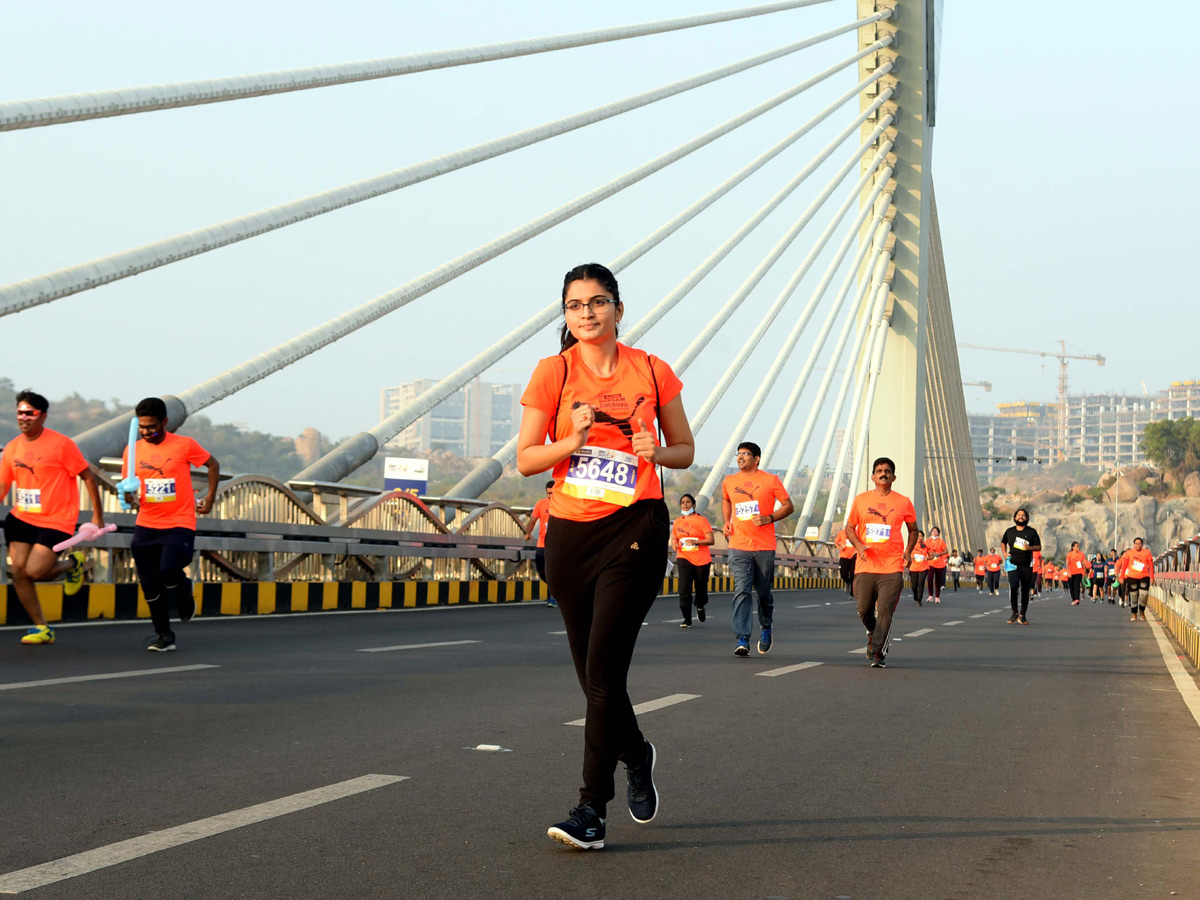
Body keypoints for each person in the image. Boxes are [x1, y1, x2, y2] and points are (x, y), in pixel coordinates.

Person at [517, 263, 694, 851]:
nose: (587, 313)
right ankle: (636, 751)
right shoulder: (554, 372)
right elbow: (525, 460)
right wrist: (570, 440)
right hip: (570, 532)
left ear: (619, 308)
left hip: (635, 528)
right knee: (591, 678)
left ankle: (591, 810)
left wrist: (658, 452)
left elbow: (686, 449)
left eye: (598, 302)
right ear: (565, 315)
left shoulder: (652, 369)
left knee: (603, 674)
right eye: (575, 305)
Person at [0, 390, 106, 645]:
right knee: (19, 572)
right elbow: (3, 485)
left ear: (43, 416)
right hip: (21, 518)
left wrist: (97, 516)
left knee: (36, 571)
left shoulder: (61, 444)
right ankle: (42, 628)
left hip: (56, 520)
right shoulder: (13, 447)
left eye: (30, 413)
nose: (24, 418)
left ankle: (73, 564)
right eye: (20, 413)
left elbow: (88, 477)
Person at [121, 398, 219, 652]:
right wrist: (129, 497)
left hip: (179, 522)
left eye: (152, 426)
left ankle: (184, 590)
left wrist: (209, 498)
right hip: (146, 523)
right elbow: (130, 487)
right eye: (142, 427)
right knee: (149, 582)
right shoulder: (132, 450)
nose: (146, 432)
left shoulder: (184, 445)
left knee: (167, 571)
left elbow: (212, 464)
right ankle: (164, 635)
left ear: (165, 422)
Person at [844, 457, 918, 668]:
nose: (883, 473)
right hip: (866, 564)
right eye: (879, 471)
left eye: (887, 471)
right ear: (873, 477)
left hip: (892, 565)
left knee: (885, 608)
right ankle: (873, 631)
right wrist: (859, 546)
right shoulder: (861, 500)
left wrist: (908, 551)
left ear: (893, 477)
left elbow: (913, 529)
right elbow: (849, 527)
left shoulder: (903, 502)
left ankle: (878, 651)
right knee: (864, 609)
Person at [721, 441, 793, 657]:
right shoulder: (730, 481)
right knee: (742, 591)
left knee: (763, 593)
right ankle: (742, 638)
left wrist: (769, 518)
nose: (740, 457)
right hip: (738, 545)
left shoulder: (770, 480)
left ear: (757, 459)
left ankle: (766, 627)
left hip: (764, 546)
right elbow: (726, 500)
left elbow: (789, 506)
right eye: (739, 453)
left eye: (746, 454)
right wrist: (726, 520)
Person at [672, 493, 713, 627]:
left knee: (701, 589)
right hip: (684, 558)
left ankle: (700, 606)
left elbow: (711, 540)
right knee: (684, 589)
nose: (685, 504)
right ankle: (687, 618)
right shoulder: (678, 521)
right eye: (683, 502)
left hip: (701, 560)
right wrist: (674, 544)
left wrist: (696, 542)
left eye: (688, 502)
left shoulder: (702, 521)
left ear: (693, 505)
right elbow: (674, 538)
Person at [1001, 508, 1041, 625]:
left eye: (1023, 515)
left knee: (1025, 590)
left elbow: (1038, 547)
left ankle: (1023, 615)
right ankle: (1014, 612)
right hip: (1012, 564)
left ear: (1027, 518)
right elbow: (1003, 542)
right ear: (1014, 517)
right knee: (1013, 587)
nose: (1020, 517)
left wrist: (1030, 548)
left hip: (1026, 565)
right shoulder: (1009, 531)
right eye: (1018, 515)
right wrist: (1004, 553)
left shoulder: (1032, 532)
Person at [523, 480, 557, 607]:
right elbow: (532, 520)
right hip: (542, 543)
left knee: (552, 570)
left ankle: (553, 597)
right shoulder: (541, 504)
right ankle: (553, 588)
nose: (550, 496)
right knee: (541, 569)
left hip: (557, 545)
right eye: (548, 493)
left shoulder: (564, 505)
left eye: (553, 493)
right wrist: (528, 533)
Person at [1122, 538, 1154, 621]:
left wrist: (1152, 577)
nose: (1138, 545)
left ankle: (1142, 611)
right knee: (1134, 596)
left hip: (1144, 576)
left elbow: (1151, 565)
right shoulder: (1129, 553)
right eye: (1136, 543)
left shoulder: (1147, 552)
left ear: (1142, 545)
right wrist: (1121, 576)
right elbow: (1124, 566)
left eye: (1140, 543)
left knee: (1144, 594)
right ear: (1134, 544)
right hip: (1132, 576)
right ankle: (1134, 614)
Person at [924, 526, 948, 603]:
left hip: (939, 563)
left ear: (938, 533)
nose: (934, 533)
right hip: (930, 563)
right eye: (933, 531)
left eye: (936, 531)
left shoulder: (941, 541)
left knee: (938, 580)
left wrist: (939, 554)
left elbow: (946, 551)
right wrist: (929, 554)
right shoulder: (928, 541)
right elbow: (925, 550)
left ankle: (937, 597)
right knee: (930, 578)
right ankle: (930, 595)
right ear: (931, 532)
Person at [835, 526, 857, 596]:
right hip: (844, 557)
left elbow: (859, 543)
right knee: (843, 574)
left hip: (853, 557)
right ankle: (848, 582)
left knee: (853, 575)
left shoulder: (856, 533)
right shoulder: (841, 533)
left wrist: (856, 551)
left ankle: (852, 592)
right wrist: (840, 548)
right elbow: (836, 542)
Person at [1065, 541, 1088, 606]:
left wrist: (1085, 571)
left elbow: (1083, 563)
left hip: (1079, 572)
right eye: (1076, 546)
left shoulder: (1081, 554)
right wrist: (1068, 572)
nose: (1078, 547)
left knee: (1076, 585)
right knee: (1071, 587)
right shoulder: (1069, 554)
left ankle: (1077, 599)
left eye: (1078, 546)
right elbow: (1067, 564)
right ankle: (1073, 599)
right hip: (1071, 573)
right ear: (1073, 547)